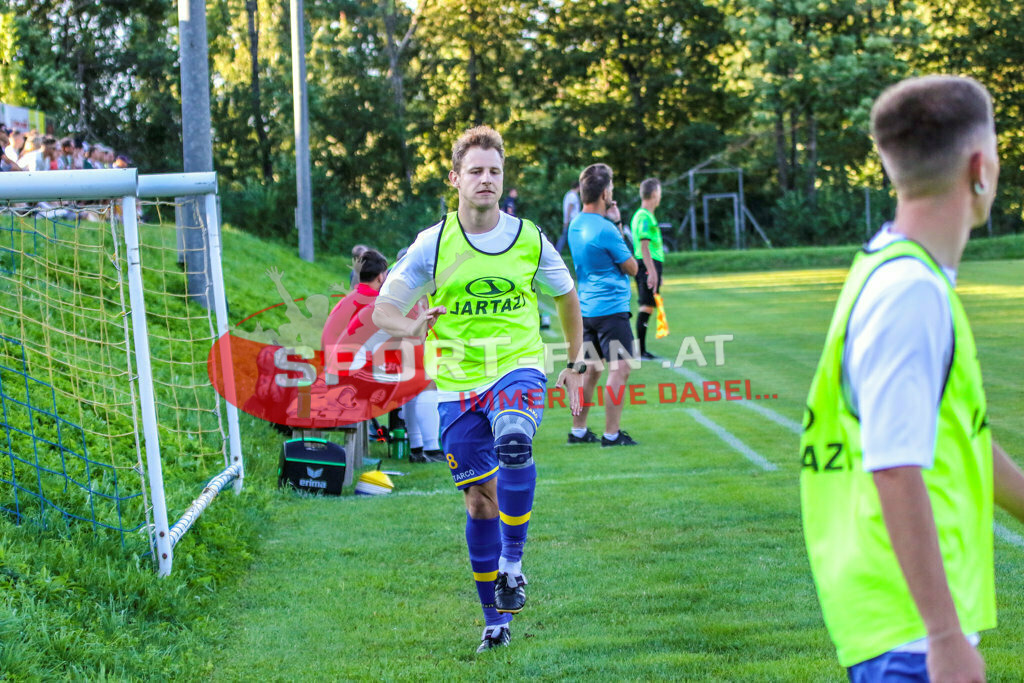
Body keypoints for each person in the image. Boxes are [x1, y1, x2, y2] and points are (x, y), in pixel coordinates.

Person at [800, 75, 1024, 682]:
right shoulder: (911, 291)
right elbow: (895, 466)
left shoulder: (893, 269)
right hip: (909, 636)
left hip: (897, 625)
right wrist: (944, 636)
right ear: (980, 168)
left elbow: (962, 438)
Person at [373, 125, 584, 654]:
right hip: (457, 386)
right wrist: (411, 324)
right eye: (475, 171)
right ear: (455, 179)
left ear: (503, 177)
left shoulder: (530, 238)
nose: (486, 179)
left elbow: (566, 295)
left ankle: (512, 564)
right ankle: (495, 620)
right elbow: (383, 308)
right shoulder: (433, 243)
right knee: (479, 503)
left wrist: (575, 359)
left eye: (494, 171)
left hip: (517, 367)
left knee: (514, 438)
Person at [566, 163, 639, 447]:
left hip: (586, 310)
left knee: (591, 370)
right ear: (605, 193)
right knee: (619, 370)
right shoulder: (606, 230)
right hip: (611, 310)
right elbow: (632, 267)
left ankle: (578, 431)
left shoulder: (575, 225)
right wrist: (618, 225)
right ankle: (612, 434)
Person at [630, 177, 664, 360]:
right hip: (646, 263)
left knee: (649, 305)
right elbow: (644, 246)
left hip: (649, 264)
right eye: (659, 192)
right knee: (646, 305)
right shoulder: (644, 216)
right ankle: (640, 350)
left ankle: (641, 349)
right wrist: (652, 271)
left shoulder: (645, 215)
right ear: (654, 194)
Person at [555, 179, 581, 254]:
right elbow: (570, 208)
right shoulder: (573, 195)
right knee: (568, 237)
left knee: (565, 236)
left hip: (569, 220)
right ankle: (558, 251)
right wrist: (567, 220)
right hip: (572, 220)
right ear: (578, 187)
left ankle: (557, 251)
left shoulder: (568, 194)